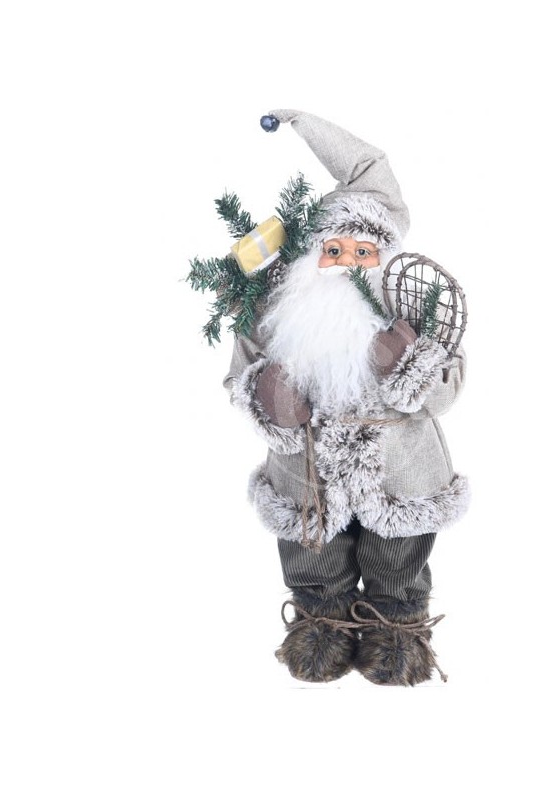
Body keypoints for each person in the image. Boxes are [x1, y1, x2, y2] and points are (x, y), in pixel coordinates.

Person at [222, 109, 469, 686]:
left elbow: (448, 386)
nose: (347, 266)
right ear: (312, 258)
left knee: (398, 554)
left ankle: (398, 630)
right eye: (334, 252)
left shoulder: (414, 308)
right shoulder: (278, 315)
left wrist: (406, 365)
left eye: (362, 254)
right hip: (306, 475)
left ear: (383, 259)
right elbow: (240, 375)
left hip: (400, 469)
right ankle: (320, 624)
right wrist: (269, 398)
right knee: (313, 550)